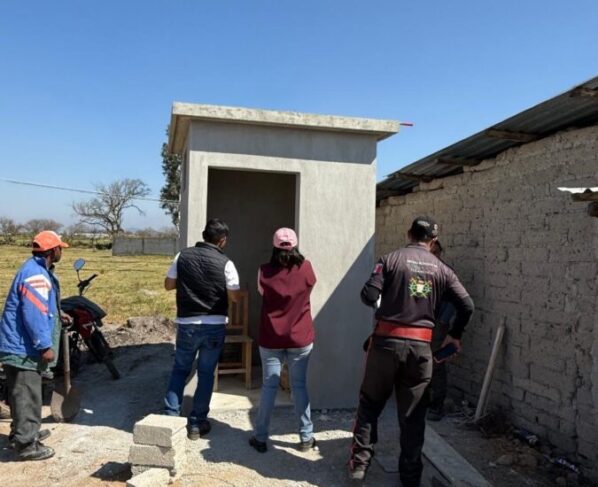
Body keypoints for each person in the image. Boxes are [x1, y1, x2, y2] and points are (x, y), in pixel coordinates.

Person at [348, 216, 474, 486]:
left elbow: (369, 295)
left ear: (408, 233)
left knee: (370, 404)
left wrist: (386, 305)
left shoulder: (390, 260)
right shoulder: (443, 270)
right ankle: (410, 477)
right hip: (420, 349)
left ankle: (359, 465)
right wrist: (455, 334)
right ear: (433, 241)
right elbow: (467, 305)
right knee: (413, 416)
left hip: (385, 344)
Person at [163, 218, 241, 439]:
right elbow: (234, 296)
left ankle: (169, 420)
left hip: (187, 324)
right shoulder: (226, 263)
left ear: (204, 235)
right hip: (214, 325)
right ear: (222, 240)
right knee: (206, 374)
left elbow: (168, 285)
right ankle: (197, 424)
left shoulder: (182, 256)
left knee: (180, 370)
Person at [0, 231, 69, 461]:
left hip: (17, 345)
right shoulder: (36, 275)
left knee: (20, 394)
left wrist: (58, 314)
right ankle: (27, 445)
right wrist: (44, 346)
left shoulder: (34, 269)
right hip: (24, 348)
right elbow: (33, 314)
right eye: (60, 248)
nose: (61, 252)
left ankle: (21, 432)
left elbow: (40, 305)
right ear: (52, 251)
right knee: (28, 395)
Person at [248, 228, 317, 454]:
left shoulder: (264, 271)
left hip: (271, 338)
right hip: (300, 337)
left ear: (274, 246)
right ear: (295, 245)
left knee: (269, 386)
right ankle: (306, 437)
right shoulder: (306, 268)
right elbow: (309, 288)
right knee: (299, 386)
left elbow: (263, 293)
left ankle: (260, 437)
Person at [428, 240, 456, 421]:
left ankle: (437, 406)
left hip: (437, 325)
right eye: (431, 252)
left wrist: (443, 322)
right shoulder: (421, 271)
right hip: (422, 323)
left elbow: (456, 299)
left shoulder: (446, 273)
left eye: (437, 252)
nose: (434, 256)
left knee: (436, 364)